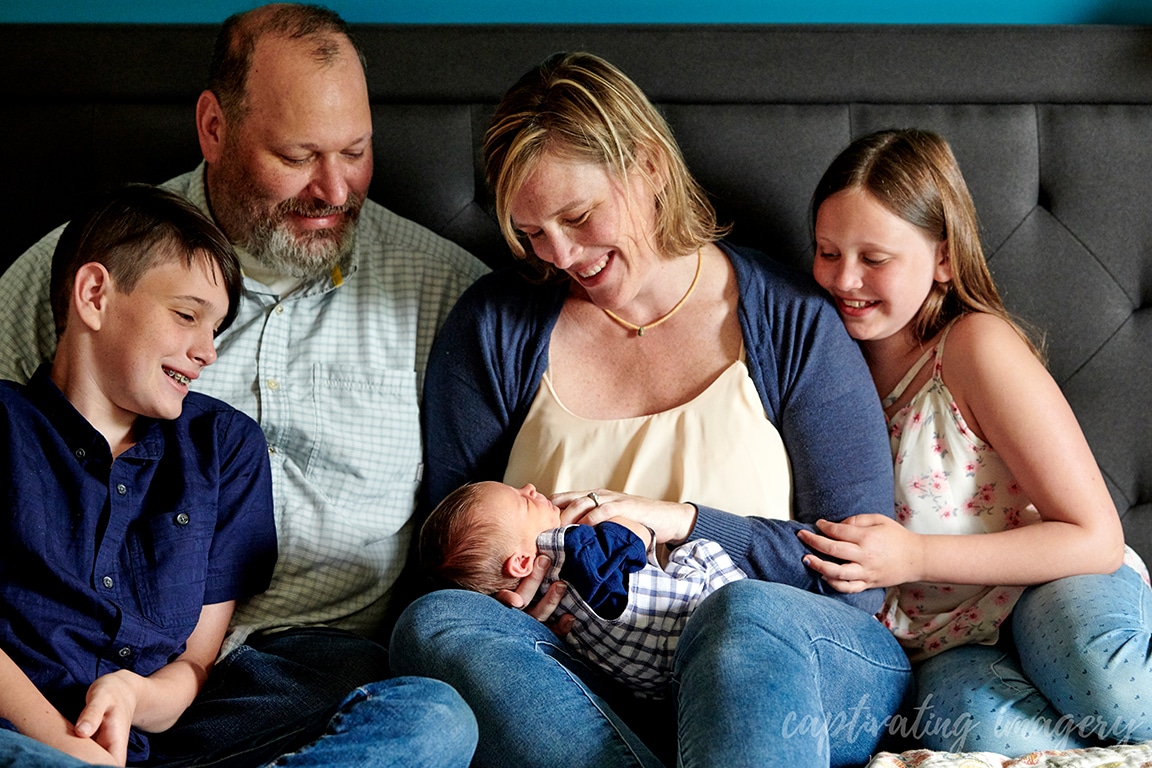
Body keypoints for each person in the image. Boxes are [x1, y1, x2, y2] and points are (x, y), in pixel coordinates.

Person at [391, 51, 913, 768]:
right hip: (583, 689)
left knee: (743, 616)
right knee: (435, 624)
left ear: (648, 166)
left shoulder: (789, 320)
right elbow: (454, 550)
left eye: (577, 216)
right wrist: (505, 599)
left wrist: (685, 521)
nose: (562, 254)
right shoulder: (497, 328)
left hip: (783, 666)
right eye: (533, 232)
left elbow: (854, 580)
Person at [0, 5, 483, 767]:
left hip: (297, 674)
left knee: (432, 719)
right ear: (215, 128)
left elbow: (481, 517)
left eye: (355, 152)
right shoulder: (72, 268)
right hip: (70, 671)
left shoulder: (447, 297)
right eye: (299, 156)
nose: (333, 188)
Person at [802, 128, 1152, 754]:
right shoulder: (816, 361)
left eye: (873, 258)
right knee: (980, 734)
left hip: (1049, 583)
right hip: (944, 642)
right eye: (827, 252)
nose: (843, 279)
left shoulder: (971, 348)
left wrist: (912, 557)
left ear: (943, 258)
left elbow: (1095, 537)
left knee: (1111, 687)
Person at [0, 184, 276, 766]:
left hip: (152, 747)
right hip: (16, 736)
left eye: (216, 330)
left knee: (430, 713)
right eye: (186, 316)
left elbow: (196, 663)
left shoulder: (227, 449)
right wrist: (68, 750)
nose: (207, 352)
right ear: (95, 295)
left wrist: (133, 693)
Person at [420, 480, 746, 698]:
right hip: (692, 617)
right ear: (520, 563)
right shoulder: (572, 547)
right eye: (523, 500)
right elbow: (629, 542)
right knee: (698, 551)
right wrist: (632, 525)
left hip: (651, 684)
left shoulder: (532, 602)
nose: (532, 487)